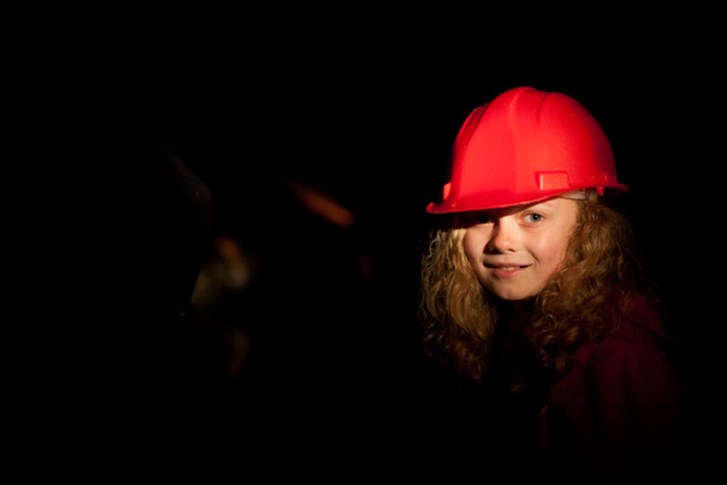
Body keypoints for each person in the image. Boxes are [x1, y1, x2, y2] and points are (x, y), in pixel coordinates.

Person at [419, 86, 684, 481]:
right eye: (481, 217)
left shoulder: (621, 358)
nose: (501, 240)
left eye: (534, 217)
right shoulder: (515, 326)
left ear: (589, 229)